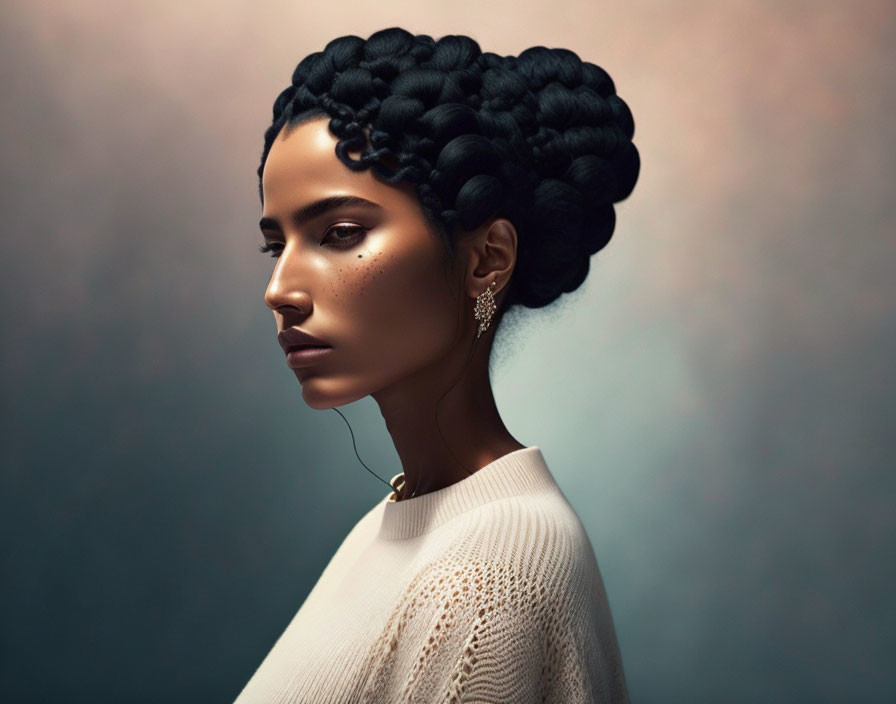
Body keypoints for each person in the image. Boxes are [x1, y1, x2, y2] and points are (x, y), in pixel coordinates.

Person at [235, 26, 640, 703]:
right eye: (276, 244)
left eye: (339, 234)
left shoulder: (489, 575)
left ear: (487, 258)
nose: (280, 289)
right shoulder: (400, 519)